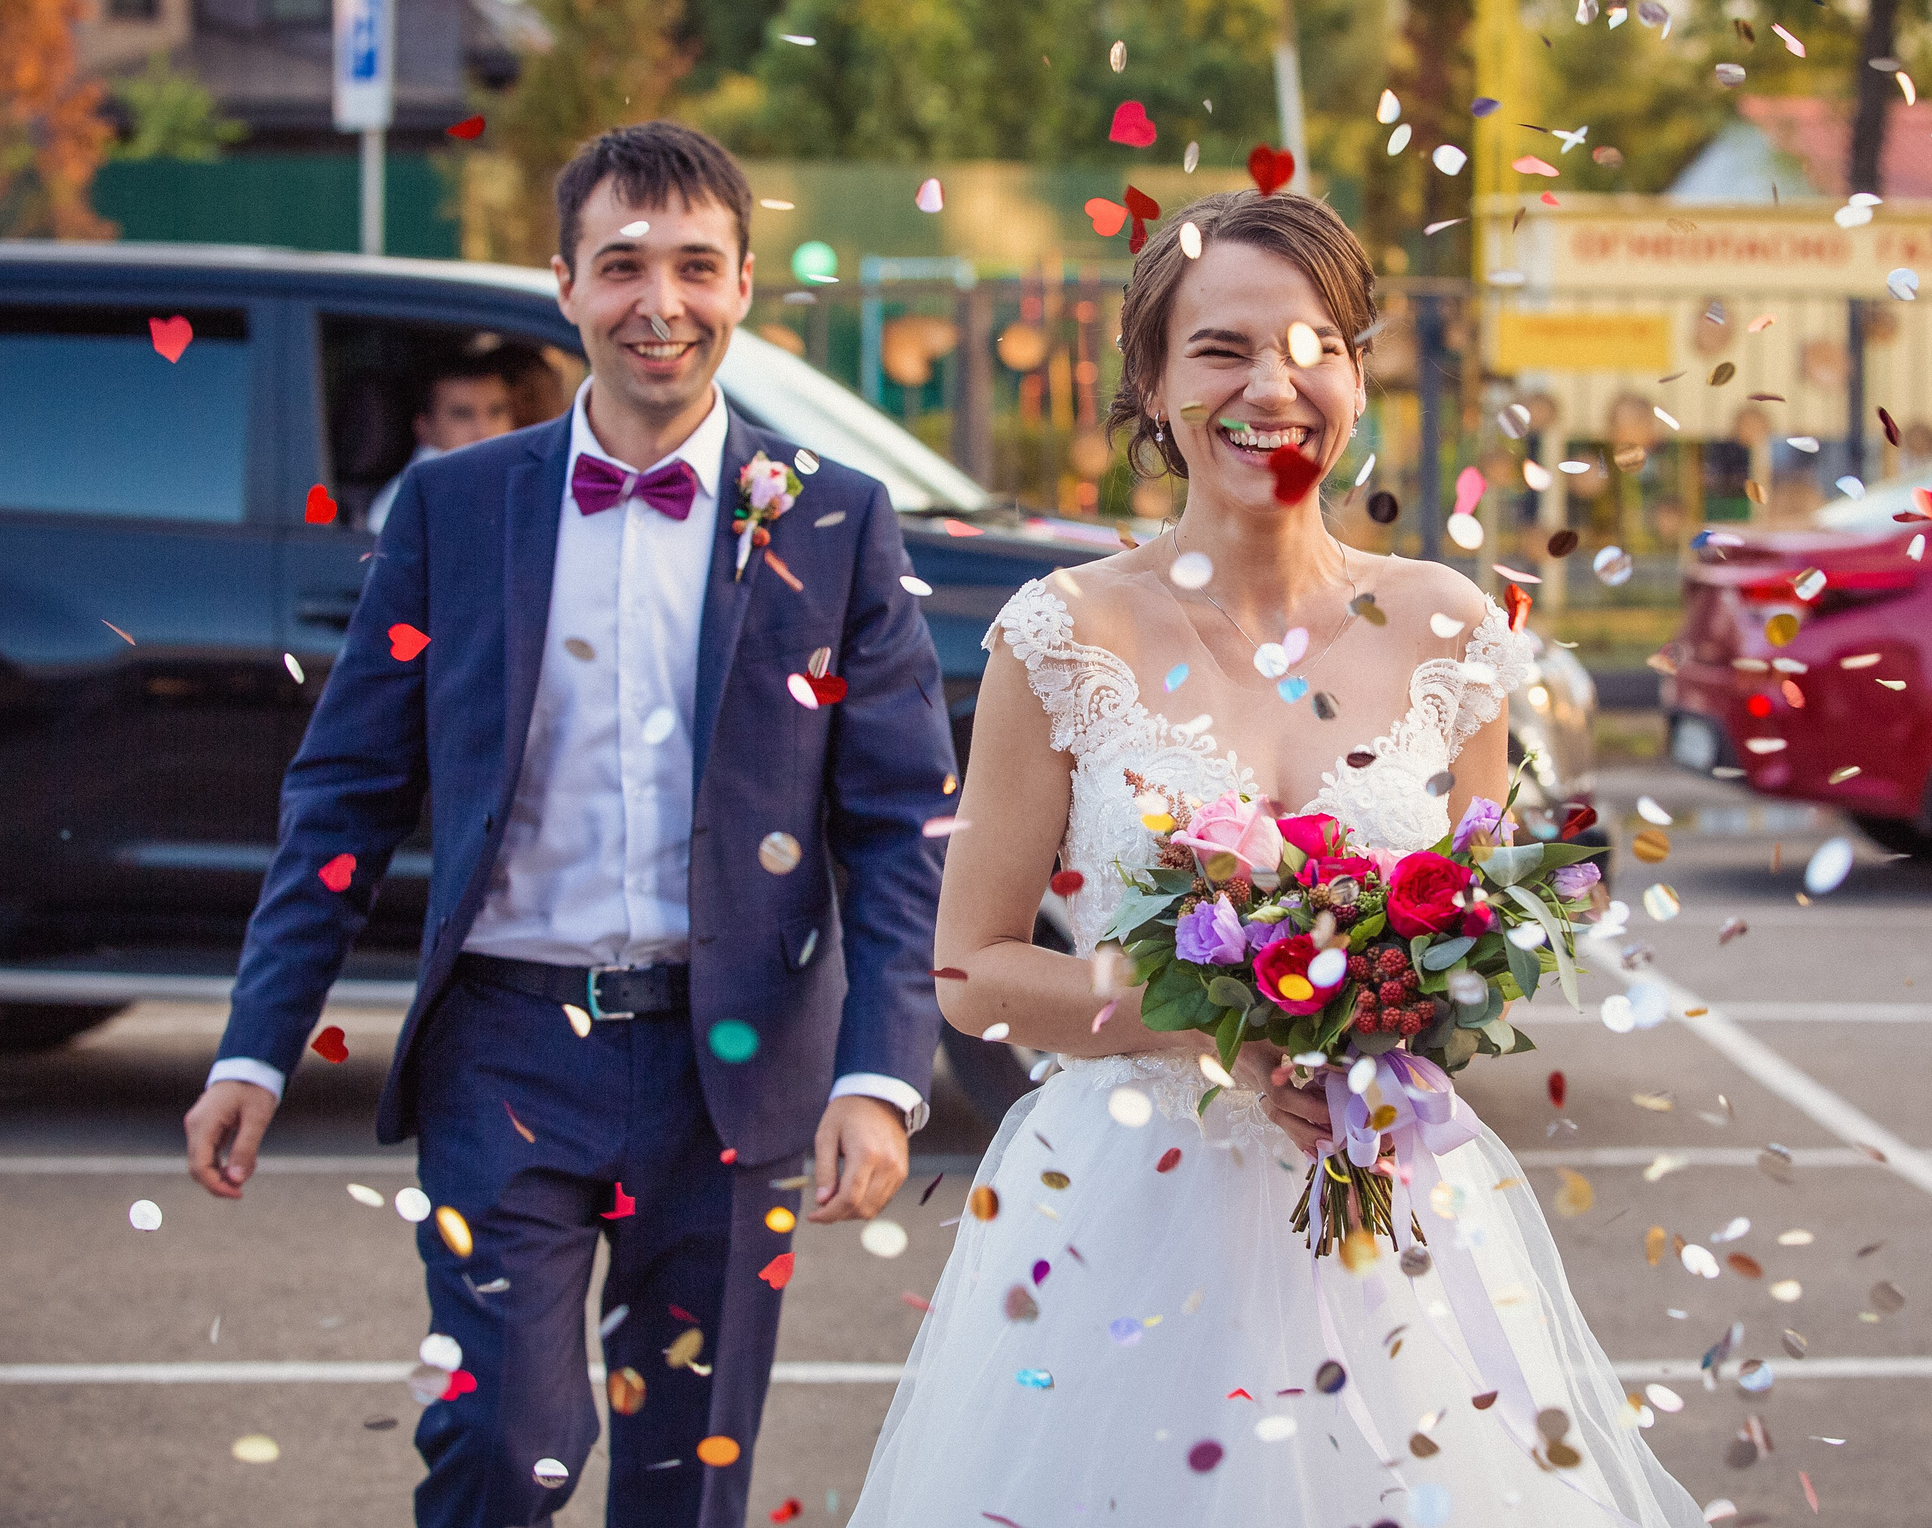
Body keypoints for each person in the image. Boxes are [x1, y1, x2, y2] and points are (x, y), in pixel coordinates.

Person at [849, 191, 1702, 1527]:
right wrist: (1211, 1025)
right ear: (1150, 380)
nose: (1272, 387)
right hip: (1128, 1211)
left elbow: (1486, 926)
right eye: (1221, 348)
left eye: (1313, 344)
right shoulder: (1061, 634)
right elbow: (971, 970)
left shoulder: (1451, 626)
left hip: (1390, 1205)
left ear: (1358, 371)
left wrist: (1398, 1005)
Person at [185, 120, 954, 1528]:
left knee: (683, 1477)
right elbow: (346, 791)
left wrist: (881, 1072)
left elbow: (901, 823)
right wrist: (257, 1037)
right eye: (622, 266)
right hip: (506, 1048)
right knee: (506, 1444)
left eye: (695, 267)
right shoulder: (455, 505)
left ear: (742, 285)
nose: (659, 301)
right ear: (564, 284)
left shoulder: (834, 518)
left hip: (735, 1064)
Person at [367, 352, 522, 533]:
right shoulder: (414, 499)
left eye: (496, 411)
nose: (484, 430)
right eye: (462, 414)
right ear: (424, 429)